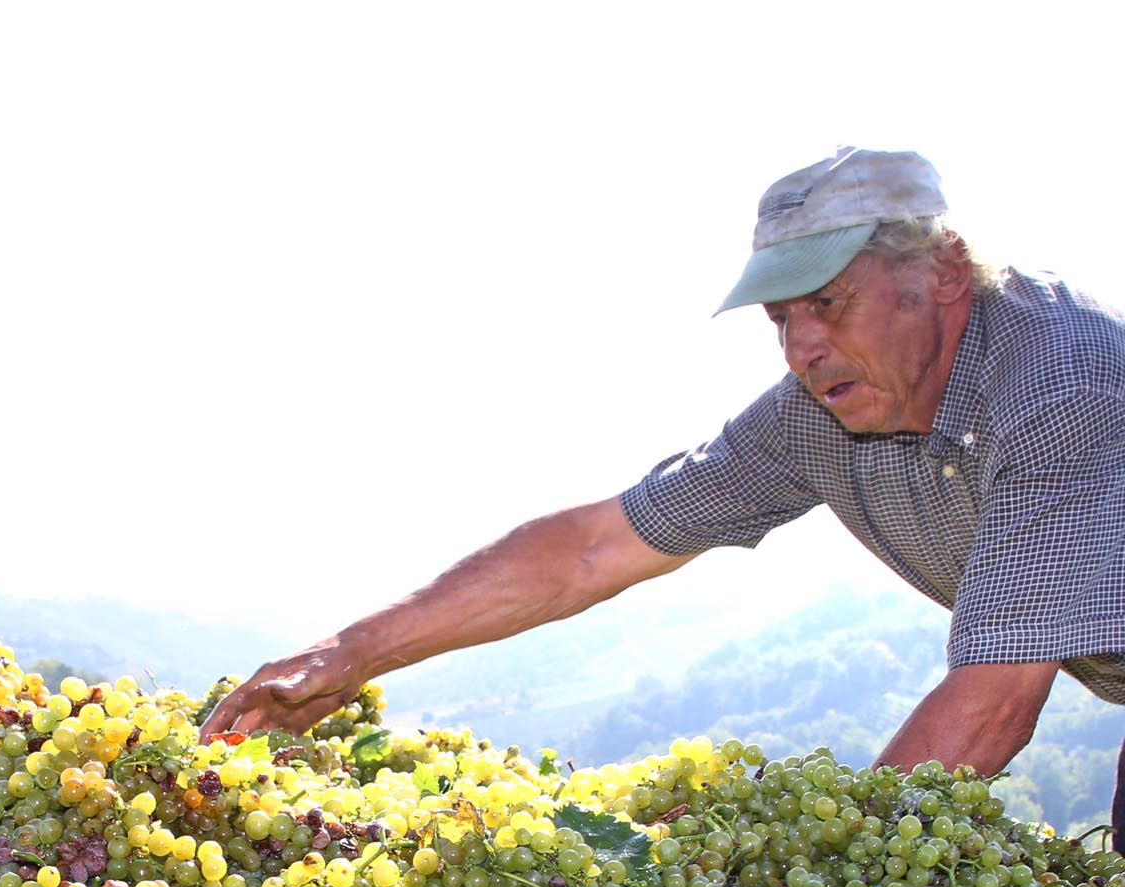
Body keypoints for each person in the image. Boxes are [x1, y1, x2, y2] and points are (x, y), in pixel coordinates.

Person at [203, 146, 1125, 833]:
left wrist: (832, 882)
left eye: (829, 303)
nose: (802, 346)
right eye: (782, 317)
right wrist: (350, 654)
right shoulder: (817, 413)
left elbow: (994, 702)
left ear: (943, 270)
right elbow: (593, 548)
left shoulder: (1060, 386)